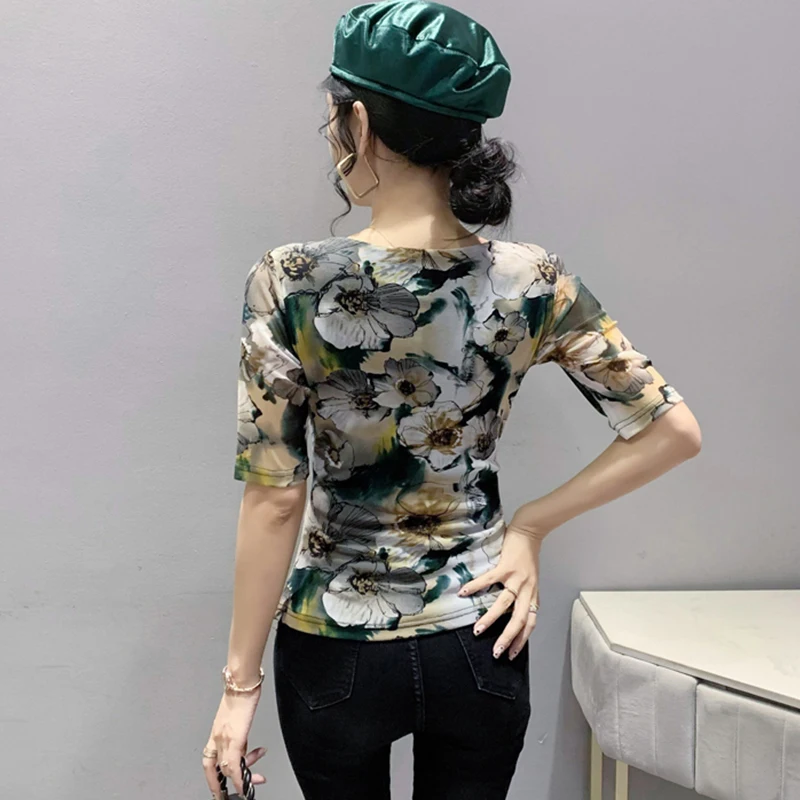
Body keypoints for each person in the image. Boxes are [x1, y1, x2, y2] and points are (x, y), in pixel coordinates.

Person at [202, 1, 703, 798]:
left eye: (335, 116)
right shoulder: (532, 278)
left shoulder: (290, 279)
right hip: (480, 634)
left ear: (359, 123)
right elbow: (673, 430)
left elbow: (275, 497)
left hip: (336, 648)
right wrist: (530, 527)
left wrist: (239, 689)